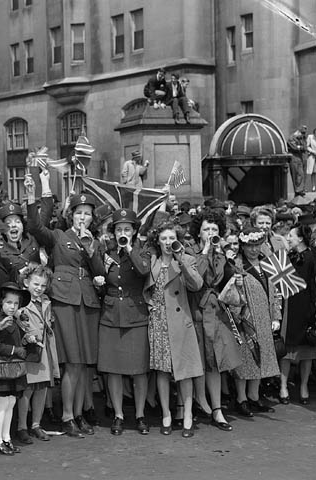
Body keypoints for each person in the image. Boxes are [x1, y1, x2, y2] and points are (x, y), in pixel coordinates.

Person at [25, 171, 106, 438]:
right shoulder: (60, 236)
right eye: (79, 213)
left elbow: (99, 272)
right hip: (65, 301)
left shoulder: (94, 242)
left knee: (84, 363)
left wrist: (91, 249)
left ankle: (81, 413)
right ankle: (67, 416)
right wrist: (43, 187)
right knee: (72, 362)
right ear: (71, 215)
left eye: (87, 214)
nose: (83, 218)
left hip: (87, 301)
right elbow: (36, 228)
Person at [143, 221, 203, 438]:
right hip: (159, 322)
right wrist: (150, 304)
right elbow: (146, 289)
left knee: (185, 372)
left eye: (172, 238)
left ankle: (187, 415)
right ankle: (166, 414)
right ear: (157, 242)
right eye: (164, 239)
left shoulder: (186, 259)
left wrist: (181, 260)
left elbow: (197, 284)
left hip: (180, 322)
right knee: (161, 371)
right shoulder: (152, 261)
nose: (168, 242)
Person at [185, 210, 241, 432]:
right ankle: (200, 401)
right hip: (194, 309)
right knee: (197, 359)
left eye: (214, 230)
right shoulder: (190, 250)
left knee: (215, 361)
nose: (211, 233)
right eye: (207, 229)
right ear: (198, 232)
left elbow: (225, 278)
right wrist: (206, 250)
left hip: (214, 310)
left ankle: (217, 409)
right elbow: (195, 278)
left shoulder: (221, 253)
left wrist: (224, 256)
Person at [97, 208, 151, 436]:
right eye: (119, 229)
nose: (122, 232)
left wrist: (129, 247)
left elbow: (143, 271)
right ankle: (118, 414)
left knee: (139, 370)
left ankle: (139, 414)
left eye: (127, 229)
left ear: (134, 231)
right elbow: (100, 279)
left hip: (135, 315)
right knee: (113, 370)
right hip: (111, 316)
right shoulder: (106, 253)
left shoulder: (143, 251)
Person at [222, 226, 280, 418]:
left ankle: (254, 396)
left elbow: (276, 292)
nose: (254, 249)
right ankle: (241, 399)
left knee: (260, 358)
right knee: (245, 360)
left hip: (264, 318)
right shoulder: (236, 265)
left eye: (257, 245)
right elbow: (231, 295)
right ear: (242, 245)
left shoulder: (269, 264)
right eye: (249, 245)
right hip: (245, 318)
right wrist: (238, 314)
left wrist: (276, 316)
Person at [15, 265, 60, 444]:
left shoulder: (46, 301)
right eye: (36, 284)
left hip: (45, 349)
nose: (39, 288)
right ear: (26, 282)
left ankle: (36, 424)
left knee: (42, 388)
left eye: (43, 285)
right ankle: (21, 426)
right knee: (27, 389)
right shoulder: (20, 301)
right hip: (29, 349)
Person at [0, 282, 30, 455]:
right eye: (8, 303)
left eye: (15, 303)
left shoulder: (14, 321)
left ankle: (6, 437)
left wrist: (27, 340)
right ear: (1, 302)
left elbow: (17, 338)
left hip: (13, 368)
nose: (12, 307)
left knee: (11, 402)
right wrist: (15, 350)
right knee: (3, 403)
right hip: (2, 368)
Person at [279, 224, 316, 405]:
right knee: (287, 350)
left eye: (291, 235)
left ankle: (303, 386)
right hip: (289, 306)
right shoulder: (288, 256)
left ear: (300, 238)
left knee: (307, 351)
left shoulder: (312, 257)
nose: (288, 238)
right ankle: (283, 386)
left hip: (307, 307)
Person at [287, 125, 308, 196]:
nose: (303, 134)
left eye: (304, 133)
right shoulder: (292, 137)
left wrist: (302, 145)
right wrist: (301, 147)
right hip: (294, 158)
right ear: (298, 131)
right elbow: (294, 147)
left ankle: (301, 190)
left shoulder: (302, 138)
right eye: (302, 133)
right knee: (296, 174)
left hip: (301, 158)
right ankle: (297, 191)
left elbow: (305, 147)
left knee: (301, 174)